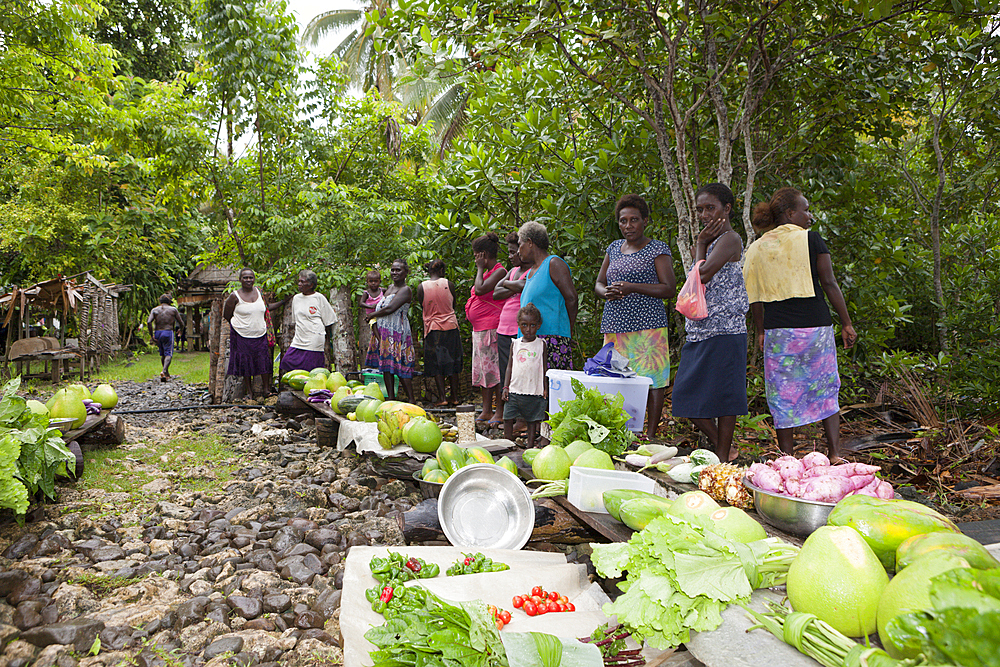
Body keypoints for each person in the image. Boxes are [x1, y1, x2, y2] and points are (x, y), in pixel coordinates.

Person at [744, 187, 857, 461]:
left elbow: (756, 297)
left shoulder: (757, 247)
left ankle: (787, 457)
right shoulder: (811, 240)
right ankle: (834, 452)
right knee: (826, 386)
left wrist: (760, 331)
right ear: (790, 213)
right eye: (805, 210)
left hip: (778, 330)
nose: (810, 216)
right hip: (814, 328)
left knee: (782, 393)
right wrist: (846, 323)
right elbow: (829, 283)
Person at [671, 183, 749, 462]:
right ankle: (722, 446)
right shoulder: (709, 241)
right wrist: (702, 244)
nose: (704, 214)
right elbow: (697, 274)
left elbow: (701, 274)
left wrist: (701, 244)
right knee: (684, 397)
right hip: (701, 330)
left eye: (710, 208)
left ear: (727, 209)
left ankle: (723, 455)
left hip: (727, 329)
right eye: (700, 209)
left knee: (727, 397)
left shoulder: (730, 239)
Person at [596, 194, 677, 441]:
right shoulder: (613, 248)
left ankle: (650, 434)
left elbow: (668, 288)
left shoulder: (657, 248)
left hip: (648, 326)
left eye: (634, 220)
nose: (628, 226)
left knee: (653, 379)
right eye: (623, 221)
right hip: (616, 325)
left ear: (644, 221)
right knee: (616, 378)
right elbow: (599, 283)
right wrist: (606, 292)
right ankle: (620, 431)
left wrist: (632, 287)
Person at [517, 221, 578, 370]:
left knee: (552, 390)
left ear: (530, 242)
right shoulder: (531, 271)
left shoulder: (553, 263)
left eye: (520, 244)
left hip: (551, 341)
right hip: (530, 342)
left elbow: (572, 298)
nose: (519, 251)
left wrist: (566, 330)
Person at [223, 268, 285, 399]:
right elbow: (226, 314)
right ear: (240, 279)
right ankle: (249, 393)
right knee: (246, 363)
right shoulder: (234, 296)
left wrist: (283, 302)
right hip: (241, 335)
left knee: (263, 361)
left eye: (250, 277)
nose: (248, 280)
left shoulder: (259, 293)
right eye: (245, 277)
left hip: (260, 334)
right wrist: (241, 325)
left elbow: (267, 308)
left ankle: (266, 390)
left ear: (254, 279)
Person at [465, 233, 507, 424]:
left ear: (483, 255)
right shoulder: (486, 271)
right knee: (483, 371)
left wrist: (480, 269)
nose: (475, 259)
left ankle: (499, 410)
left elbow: (481, 289)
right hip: (480, 329)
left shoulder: (499, 271)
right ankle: (487, 409)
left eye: (476, 256)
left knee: (495, 372)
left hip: (492, 328)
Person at [367, 259, 417, 402]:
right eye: (393, 270)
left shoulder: (405, 290)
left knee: (401, 367)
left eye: (398, 270)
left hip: (398, 333)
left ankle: (411, 400)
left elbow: (390, 308)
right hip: (385, 333)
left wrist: (372, 315)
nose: (395, 273)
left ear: (406, 273)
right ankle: (390, 398)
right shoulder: (389, 288)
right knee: (386, 367)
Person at [493, 231, 528, 432]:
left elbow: (525, 286)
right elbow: (496, 293)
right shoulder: (513, 271)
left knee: (521, 373)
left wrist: (507, 285)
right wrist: (511, 285)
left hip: (521, 329)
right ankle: (511, 415)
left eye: (514, 252)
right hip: (503, 328)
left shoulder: (532, 269)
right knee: (506, 373)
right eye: (509, 252)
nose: (511, 256)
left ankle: (523, 418)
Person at [415, 259, 462, 405]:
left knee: (436, 364)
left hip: (433, 328)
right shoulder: (449, 284)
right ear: (442, 271)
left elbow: (422, 305)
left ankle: (442, 398)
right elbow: (453, 304)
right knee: (453, 363)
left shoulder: (421, 287)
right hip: (451, 326)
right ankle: (454, 397)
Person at [502, 304, 548, 448]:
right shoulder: (515, 344)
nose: (528, 329)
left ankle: (529, 445)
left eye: (532, 325)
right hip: (515, 389)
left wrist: (545, 388)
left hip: (533, 390)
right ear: (518, 325)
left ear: (539, 325)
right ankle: (507, 443)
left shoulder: (541, 344)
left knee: (532, 419)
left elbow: (544, 367)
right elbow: (509, 366)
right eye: (524, 325)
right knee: (508, 417)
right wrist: (505, 387)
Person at [278, 270, 335, 376]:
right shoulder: (296, 298)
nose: (299, 284)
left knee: (312, 368)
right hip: (299, 337)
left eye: (302, 282)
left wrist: (323, 337)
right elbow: (296, 320)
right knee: (287, 361)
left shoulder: (319, 298)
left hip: (314, 337)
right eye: (299, 281)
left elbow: (329, 320)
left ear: (311, 285)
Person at [147, 294, 185, 382]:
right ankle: (164, 371)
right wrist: (181, 330)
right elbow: (181, 323)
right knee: (168, 353)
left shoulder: (155, 310)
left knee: (162, 353)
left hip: (158, 332)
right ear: (169, 302)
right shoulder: (173, 310)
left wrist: (151, 335)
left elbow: (149, 322)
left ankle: (166, 373)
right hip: (168, 332)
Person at [358, 269, 383, 366]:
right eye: (371, 281)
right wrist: (371, 306)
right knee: (373, 323)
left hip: (380, 314)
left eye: (375, 281)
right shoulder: (366, 293)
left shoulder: (382, 291)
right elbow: (361, 303)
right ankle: (379, 339)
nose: (373, 283)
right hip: (371, 315)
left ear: (379, 282)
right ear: (367, 282)